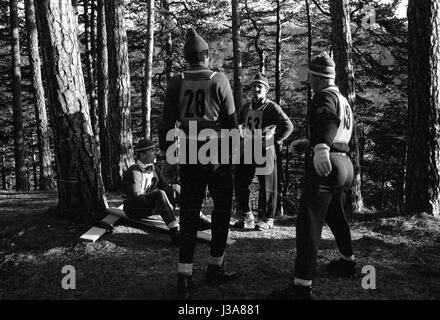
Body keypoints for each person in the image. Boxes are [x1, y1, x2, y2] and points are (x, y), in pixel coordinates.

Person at [158, 28, 239, 296]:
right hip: (216, 152)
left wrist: (170, 154)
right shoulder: (219, 79)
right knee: (222, 209)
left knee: (190, 211)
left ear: (186, 57)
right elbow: (231, 125)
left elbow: (165, 126)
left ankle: (184, 273)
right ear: (205, 55)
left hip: (190, 153)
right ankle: (215, 266)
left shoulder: (176, 82)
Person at [271, 52, 356, 300]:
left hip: (328, 164)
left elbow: (328, 120)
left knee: (308, 222)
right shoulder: (342, 98)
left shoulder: (324, 95)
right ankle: (347, 261)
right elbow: (339, 130)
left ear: (318, 77)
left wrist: (321, 148)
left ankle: (301, 286)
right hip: (345, 165)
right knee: (335, 215)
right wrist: (311, 142)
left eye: (311, 76)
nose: (309, 80)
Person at [121, 138, 211, 245]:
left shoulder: (154, 169)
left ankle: (197, 217)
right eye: (152, 151)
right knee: (159, 194)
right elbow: (136, 198)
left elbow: (166, 187)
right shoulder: (134, 171)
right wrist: (158, 205)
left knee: (175, 187)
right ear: (142, 155)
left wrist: (169, 198)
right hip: (133, 209)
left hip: (147, 205)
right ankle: (174, 232)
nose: (156, 153)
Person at [233, 73, 293, 230]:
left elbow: (288, 126)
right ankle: (247, 216)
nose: (256, 89)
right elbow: (237, 123)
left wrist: (274, 140)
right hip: (247, 149)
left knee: (267, 185)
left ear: (266, 90)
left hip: (265, 150)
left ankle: (267, 219)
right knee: (240, 182)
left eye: (260, 86)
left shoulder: (272, 107)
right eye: (254, 86)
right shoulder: (246, 107)